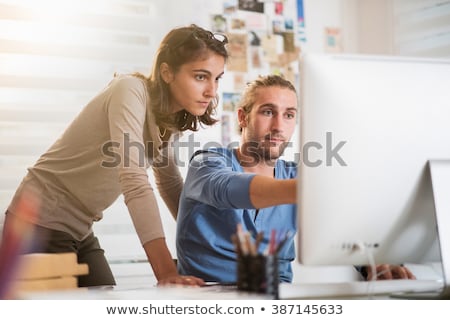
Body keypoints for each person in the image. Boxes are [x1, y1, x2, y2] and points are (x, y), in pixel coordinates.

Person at [1, 24, 228, 287]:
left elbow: (168, 182)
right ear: (167, 72)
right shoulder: (130, 90)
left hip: (80, 229)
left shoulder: (170, 120)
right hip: (37, 222)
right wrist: (166, 272)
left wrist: (209, 241)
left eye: (217, 78)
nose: (212, 90)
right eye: (201, 76)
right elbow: (133, 178)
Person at [175, 74, 415, 284]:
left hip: (278, 298)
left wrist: (374, 263)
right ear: (243, 117)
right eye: (268, 112)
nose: (279, 126)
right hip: (208, 296)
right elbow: (229, 189)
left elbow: (343, 228)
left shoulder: (298, 176)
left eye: (289, 115)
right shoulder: (207, 162)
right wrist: (313, 189)